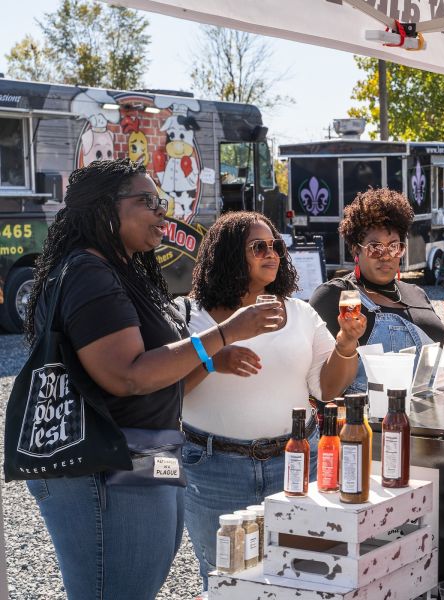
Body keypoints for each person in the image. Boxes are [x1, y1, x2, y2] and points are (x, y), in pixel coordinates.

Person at [20, 159, 282, 599]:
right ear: (104, 208)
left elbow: (157, 372)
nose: (163, 212)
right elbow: (128, 376)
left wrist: (208, 360)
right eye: (148, 201)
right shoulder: (88, 272)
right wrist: (226, 332)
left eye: (162, 201)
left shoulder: (117, 270)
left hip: (137, 460)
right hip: (104, 470)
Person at [179, 211, 364, 589]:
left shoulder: (300, 313)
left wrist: (346, 343)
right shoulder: (189, 315)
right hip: (215, 468)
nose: (273, 253)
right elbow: (168, 389)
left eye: (276, 245)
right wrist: (212, 362)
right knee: (227, 582)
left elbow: (327, 390)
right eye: (258, 246)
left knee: (304, 576)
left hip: (296, 462)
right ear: (229, 254)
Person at [309, 188, 444, 393]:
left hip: (432, 420)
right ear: (355, 249)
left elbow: (434, 371)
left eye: (394, 246)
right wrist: (346, 342)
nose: (386, 256)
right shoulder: (336, 296)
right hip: (373, 423)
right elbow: (324, 389)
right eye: (375, 247)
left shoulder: (416, 293)